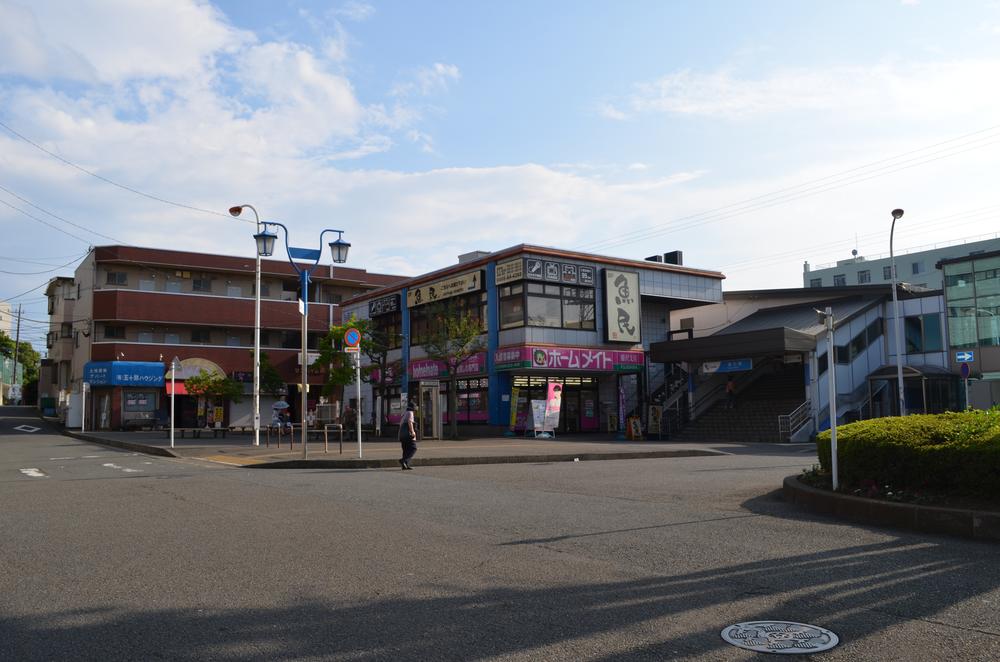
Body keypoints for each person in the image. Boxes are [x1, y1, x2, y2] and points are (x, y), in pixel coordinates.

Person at [398, 400, 417, 470]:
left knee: (405, 449)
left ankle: (405, 465)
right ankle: (404, 460)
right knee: (413, 448)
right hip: (408, 434)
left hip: (402, 434)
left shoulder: (405, 413)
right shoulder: (410, 413)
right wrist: (412, 432)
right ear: (413, 407)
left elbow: (400, 424)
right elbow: (410, 422)